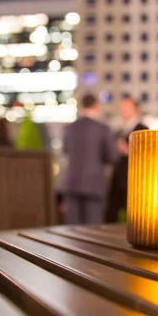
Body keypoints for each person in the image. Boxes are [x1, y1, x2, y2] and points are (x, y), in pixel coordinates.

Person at [59, 93, 117, 224]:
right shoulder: (103, 129)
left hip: (71, 183)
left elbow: (65, 150)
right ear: (96, 106)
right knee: (92, 228)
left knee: (72, 228)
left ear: (81, 106)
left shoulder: (69, 128)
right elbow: (112, 157)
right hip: (94, 184)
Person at [105, 96, 148, 223]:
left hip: (134, 179)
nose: (122, 110)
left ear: (135, 109)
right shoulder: (120, 130)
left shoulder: (143, 129)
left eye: (126, 107)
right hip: (119, 178)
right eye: (121, 107)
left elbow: (147, 153)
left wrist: (128, 150)